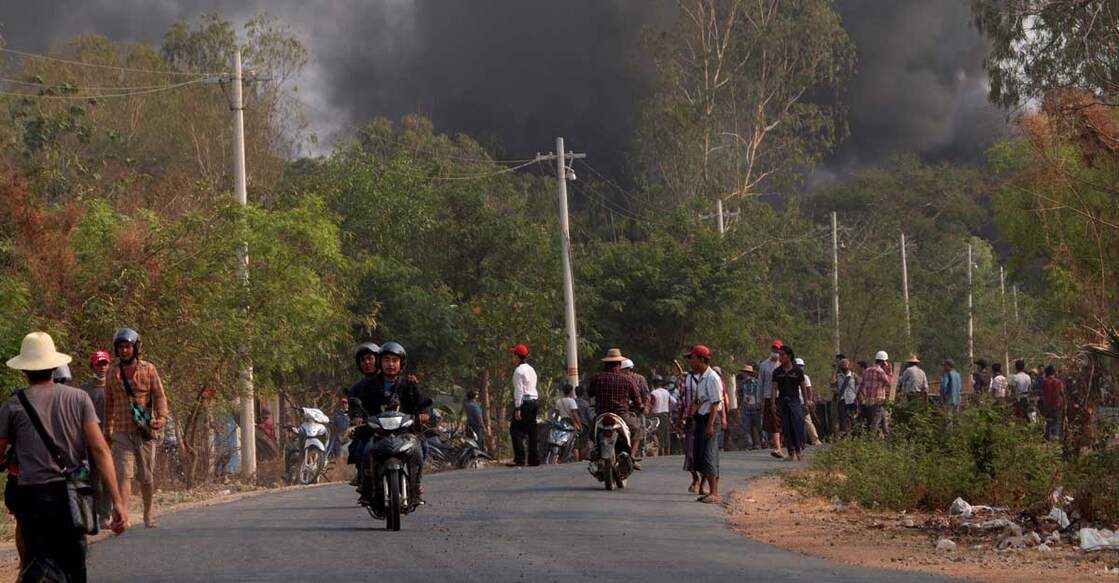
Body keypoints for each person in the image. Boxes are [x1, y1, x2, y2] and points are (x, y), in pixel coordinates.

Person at [1, 332, 129, 582]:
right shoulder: (79, 398)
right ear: (53, 366)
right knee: (74, 558)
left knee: (38, 562)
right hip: (76, 489)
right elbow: (101, 450)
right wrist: (118, 501)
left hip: (33, 495)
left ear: (24, 369)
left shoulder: (13, 405)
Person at [348, 341, 430, 507]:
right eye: (386, 360)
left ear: (401, 364)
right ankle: (365, 484)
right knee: (365, 450)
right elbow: (358, 404)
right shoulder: (368, 385)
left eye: (394, 360)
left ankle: (416, 484)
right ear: (380, 363)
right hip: (377, 431)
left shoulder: (409, 384)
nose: (391, 365)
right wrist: (357, 417)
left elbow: (420, 402)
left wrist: (423, 413)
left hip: (404, 430)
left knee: (421, 449)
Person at [104, 327, 168, 529]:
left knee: (146, 477)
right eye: (121, 347)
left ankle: (148, 513)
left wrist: (161, 418)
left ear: (135, 348)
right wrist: (107, 431)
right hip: (121, 433)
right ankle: (123, 516)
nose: (124, 351)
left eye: (127, 346)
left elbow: (159, 395)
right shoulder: (112, 372)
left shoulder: (149, 369)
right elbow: (108, 404)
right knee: (124, 475)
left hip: (145, 431)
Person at [587, 349, 644, 466]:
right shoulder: (627, 379)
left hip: (601, 415)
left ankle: (595, 452)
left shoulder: (596, 378)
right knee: (638, 429)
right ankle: (632, 457)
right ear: (619, 364)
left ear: (606, 364)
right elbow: (638, 400)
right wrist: (640, 407)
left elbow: (590, 393)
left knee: (592, 432)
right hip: (622, 416)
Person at [78, 351, 113, 529]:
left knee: (108, 479)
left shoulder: (115, 388)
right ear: (91, 366)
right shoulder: (82, 391)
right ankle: (91, 515)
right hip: (88, 443)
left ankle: (105, 515)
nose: (102, 367)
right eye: (99, 364)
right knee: (91, 479)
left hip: (110, 442)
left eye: (105, 364)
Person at [683, 345, 722, 503]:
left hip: (709, 419)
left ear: (701, 359)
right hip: (702, 418)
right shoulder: (702, 377)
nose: (691, 362)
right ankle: (710, 490)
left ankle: (714, 493)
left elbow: (715, 403)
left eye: (692, 358)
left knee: (709, 454)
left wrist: (710, 425)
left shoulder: (712, 378)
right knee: (701, 454)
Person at [773, 345, 807, 461]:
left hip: (795, 402)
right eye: (779, 355)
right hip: (782, 401)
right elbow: (774, 388)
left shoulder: (797, 371)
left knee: (797, 425)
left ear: (789, 356)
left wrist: (806, 403)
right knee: (786, 427)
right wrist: (773, 403)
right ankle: (791, 453)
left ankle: (799, 449)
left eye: (783, 355)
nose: (780, 357)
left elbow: (803, 388)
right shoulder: (777, 372)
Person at [507, 344, 540, 467]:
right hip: (533, 401)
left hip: (524, 402)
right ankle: (534, 459)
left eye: (513, 354)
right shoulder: (531, 369)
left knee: (515, 430)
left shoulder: (518, 371)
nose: (512, 357)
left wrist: (517, 408)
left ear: (517, 356)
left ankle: (519, 458)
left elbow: (519, 390)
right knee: (532, 431)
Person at [758, 340, 784, 459]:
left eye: (777, 349)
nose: (775, 351)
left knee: (784, 421)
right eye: (774, 348)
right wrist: (760, 399)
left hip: (783, 396)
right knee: (774, 423)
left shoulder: (784, 364)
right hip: (769, 396)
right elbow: (760, 383)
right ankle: (778, 448)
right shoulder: (764, 365)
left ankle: (786, 446)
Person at [858, 351, 892, 437]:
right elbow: (889, 383)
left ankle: (888, 437)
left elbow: (861, 385)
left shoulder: (867, 370)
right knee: (874, 424)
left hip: (869, 402)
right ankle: (870, 441)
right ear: (883, 362)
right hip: (878, 401)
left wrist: (857, 395)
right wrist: (890, 373)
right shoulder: (880, 371)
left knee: (884, 422)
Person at [620, 359, 650, 456]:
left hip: (638, 409)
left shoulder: (640, 379)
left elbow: (646, 394)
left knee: (641, 428)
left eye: (624, 370)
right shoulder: (621, 379)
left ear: (630, 369)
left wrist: (646, 407)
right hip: (626, 410)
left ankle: (641, 450)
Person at [736, 364, 763, 450]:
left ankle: (760, 442)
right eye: (743, 373)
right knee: (746, 427)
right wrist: (738, 407)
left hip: (756, 408)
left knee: (758, 426)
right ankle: (749, 444)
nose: (744, 375)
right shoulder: (741, 384)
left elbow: (760, 394)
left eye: (745, 373)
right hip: (746, 408)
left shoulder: (756, 383)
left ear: (749, 373)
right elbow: (740, 396)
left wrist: (761, 404)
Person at [794, 358, 819, 447]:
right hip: (794, 402)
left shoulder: (805, 377)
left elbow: (809, 390)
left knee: (808, 422)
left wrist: (809, 401)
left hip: (803, 402)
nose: (800, 368)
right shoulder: (791, 376)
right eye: (798, 366)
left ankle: (815, 440)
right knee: (796, 423)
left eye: (801, 366)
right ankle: (800, 441)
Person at [649, 376, 673, 456]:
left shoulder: (653, 393)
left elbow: (651, 405)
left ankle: (662, 455)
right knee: (666, 435)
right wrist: (669, 415)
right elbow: (669, 404)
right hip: (665, 414)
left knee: (660, 436)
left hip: (657, 415)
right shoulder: (666, 392)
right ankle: (668, 454)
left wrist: (648, 415)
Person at [1039, 365, 1064, 440]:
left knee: (1048, 421)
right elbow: (1062, 393)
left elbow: (1042, 391)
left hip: (1047, 404)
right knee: (1056, 421)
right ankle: (1055, 437)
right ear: (1054, 372)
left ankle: (1048, 436)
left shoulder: (1044, 381)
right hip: (1056, 404)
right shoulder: (1059, 382)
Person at [834, 358, 858, 434]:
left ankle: (855, 433)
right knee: (842, 418)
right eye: (842, 364)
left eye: (846, 364)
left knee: (853, 418)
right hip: (842, 399)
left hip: (852, 399)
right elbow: (831, 381)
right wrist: (835, 370)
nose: (844, 366)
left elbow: (859, 385)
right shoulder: (838, 376)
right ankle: (843, 433)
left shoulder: (853, 375)